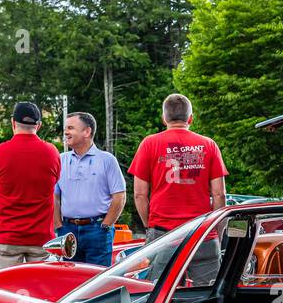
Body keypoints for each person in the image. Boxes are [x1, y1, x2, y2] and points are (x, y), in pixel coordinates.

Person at [128, 93, 226, 282]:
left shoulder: (149, 144)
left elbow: (140, 195)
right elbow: (219, 194)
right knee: (208, 296)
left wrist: (150, 227)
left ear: (164, 118)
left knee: (159, 295)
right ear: (190, 118)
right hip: (202, 232)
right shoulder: (209, 145)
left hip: (163, 234)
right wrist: (216, 230)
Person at [0, 101, 61, 270]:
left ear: (13, 122)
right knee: (40, 291)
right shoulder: (52, 152)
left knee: (2, 291)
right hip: (41, 237)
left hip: (7, 235)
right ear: (39, 125)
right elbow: (54, 182)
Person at [54, 112, 125, 266]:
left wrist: (106, 224)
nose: (65, 132)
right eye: (65, 128)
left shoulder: (107, 160)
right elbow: (54, 197)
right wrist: (59, 225)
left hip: (98, 230)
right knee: (69, 279)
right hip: (67, 230)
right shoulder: (60, 160)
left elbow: (119, 196)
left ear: (87, 132)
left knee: (97, 281)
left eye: (71, 128)